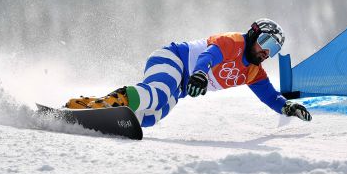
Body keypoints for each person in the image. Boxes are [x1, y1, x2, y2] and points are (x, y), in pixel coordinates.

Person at [65, 18, 312, 127]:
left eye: (275, 50)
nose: (268, 52)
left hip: (183, 85)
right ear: (254, 34)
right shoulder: (233, 42)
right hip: (173, 59)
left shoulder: (254, 72)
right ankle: (100, 104)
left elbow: (270, 96)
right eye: (267, 43)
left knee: (153, 116)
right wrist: (200, 74)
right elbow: (208, 56)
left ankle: (109, 119)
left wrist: (286, 107)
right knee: (158, 95)